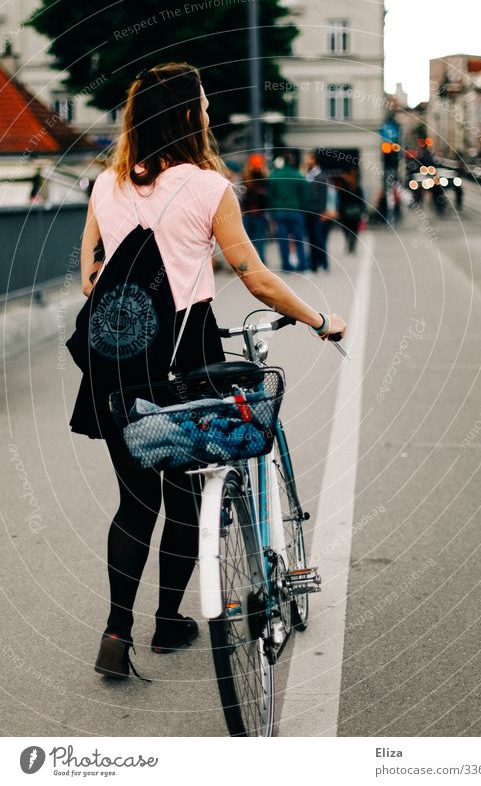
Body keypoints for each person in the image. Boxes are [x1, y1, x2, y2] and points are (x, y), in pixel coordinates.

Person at [72, 62, 346, 680]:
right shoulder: (207, 187)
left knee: (134, 502)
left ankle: (117, 633)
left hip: (117, 360)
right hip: (184, 361)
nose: (206, 112)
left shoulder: (106, 187)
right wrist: (319, 318)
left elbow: (90, 275)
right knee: (189, 494)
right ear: (186, 115)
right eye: (200, 103)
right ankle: (169, 620)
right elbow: (255, 276)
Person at [266, 153, 308, 272]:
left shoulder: (275, 176)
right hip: (296, 211)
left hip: (281, 212)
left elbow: (270, 195)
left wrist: (273, 210)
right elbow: (305, 195)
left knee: (283, 240)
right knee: (299, 240)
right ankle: (302, 265)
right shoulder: (299, 176)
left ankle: (286, 266)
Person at [241, 154, 269, 265]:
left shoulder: (247, 179)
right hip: (256, 214)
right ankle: (259, 262)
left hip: (254, 214)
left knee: (252, 240)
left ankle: (256, 262)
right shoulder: (264, 179)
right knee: (258, 239)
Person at [304, 151, 330, 271]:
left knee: (319, 239)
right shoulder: (308, 175)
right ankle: (313, 264)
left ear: (314, 160)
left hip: (318, 212)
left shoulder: (321, 176)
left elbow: (324, 195)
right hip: (308, 211)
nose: (306, 161)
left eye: (309, 159)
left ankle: (324, 263)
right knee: (311, 238)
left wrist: (324, 211)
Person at [337, 168, 366, 254]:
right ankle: (350, 244)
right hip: (348, 213)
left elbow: (361, 201)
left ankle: (351, 245)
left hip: (351, 213)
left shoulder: (355, 188)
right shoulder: (345, 187)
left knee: (352, 230)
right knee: (350, 230)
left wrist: (362, 211)